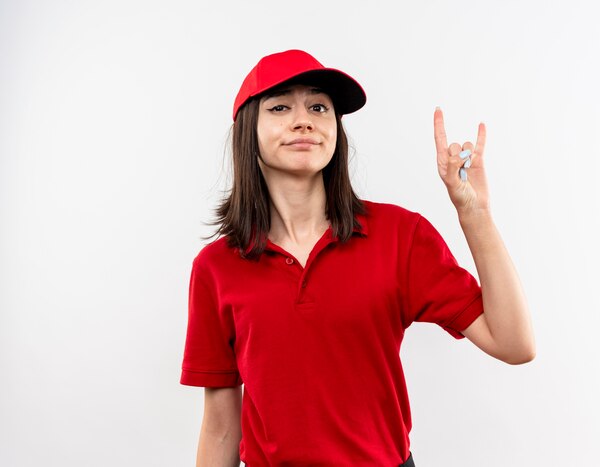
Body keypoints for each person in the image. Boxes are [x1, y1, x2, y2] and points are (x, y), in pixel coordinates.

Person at [180, 49, 535, 467]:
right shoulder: (216, 267)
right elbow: (221, 427)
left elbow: (514, 344)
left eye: (318, 107)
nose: (304, 120)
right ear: (247, 131)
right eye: (280, 107)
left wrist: (475, 215)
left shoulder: (400, 236)